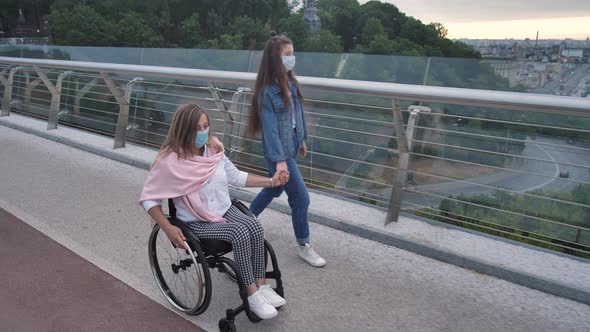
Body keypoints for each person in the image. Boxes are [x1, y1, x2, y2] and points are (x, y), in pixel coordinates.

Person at [139, 104, 288, 320]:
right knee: (239, 232)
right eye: (197, 128)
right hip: (195, 220)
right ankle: (252, 294)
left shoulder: (213, 150)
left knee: (254, 226)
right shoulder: (169, 161)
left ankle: (262, 285)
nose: (203, 132)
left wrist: (271, 181)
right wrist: (168, 227)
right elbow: (149, 199)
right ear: (184, 131)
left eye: (206, 126)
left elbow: (235, 177)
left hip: (224, 209)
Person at [248, 32, 326, 267]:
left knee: (273, 190)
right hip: (278, 152)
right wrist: (280, 161)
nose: (292, 58)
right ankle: (304, 245)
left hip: (291, 146)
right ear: (275, 59)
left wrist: (301, 139)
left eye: (293, 53)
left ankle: (243, 221)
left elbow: (296, 116)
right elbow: (270, 131)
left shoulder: (290, 82)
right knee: (301, 198)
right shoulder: (266, 92)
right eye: (287, 54)